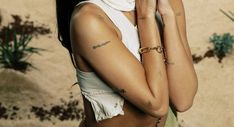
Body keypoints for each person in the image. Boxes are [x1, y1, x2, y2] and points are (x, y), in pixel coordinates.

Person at [56, 0, 198, 127]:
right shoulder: (89, 20)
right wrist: (145, 18)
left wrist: (168, 14)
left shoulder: (168, 3)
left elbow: (183, 100)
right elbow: (157, 105)